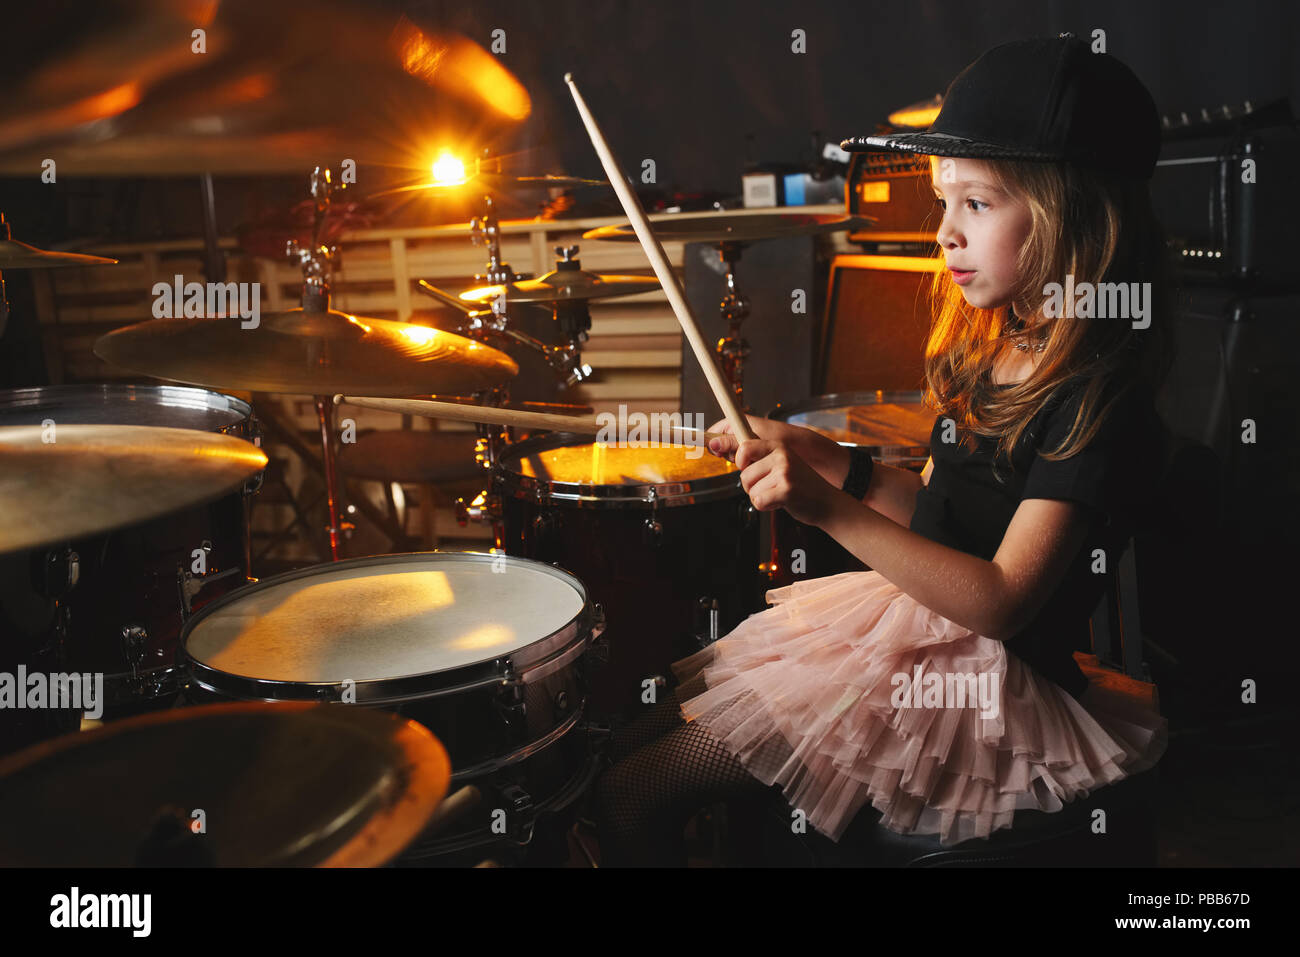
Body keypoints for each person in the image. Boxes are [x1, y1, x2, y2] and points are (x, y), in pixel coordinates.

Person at [592, 33, 1175, 866]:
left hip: (986, 679)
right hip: (914, 628)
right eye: (944, 203)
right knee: (634, 735)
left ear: (1072, 215)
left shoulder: (1095, 398)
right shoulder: (997, 343)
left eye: (977, 204)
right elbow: (940, 518)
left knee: (637, 790)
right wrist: (830, 459)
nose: (944, 233)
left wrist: (824, 507)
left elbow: (1000, 599)